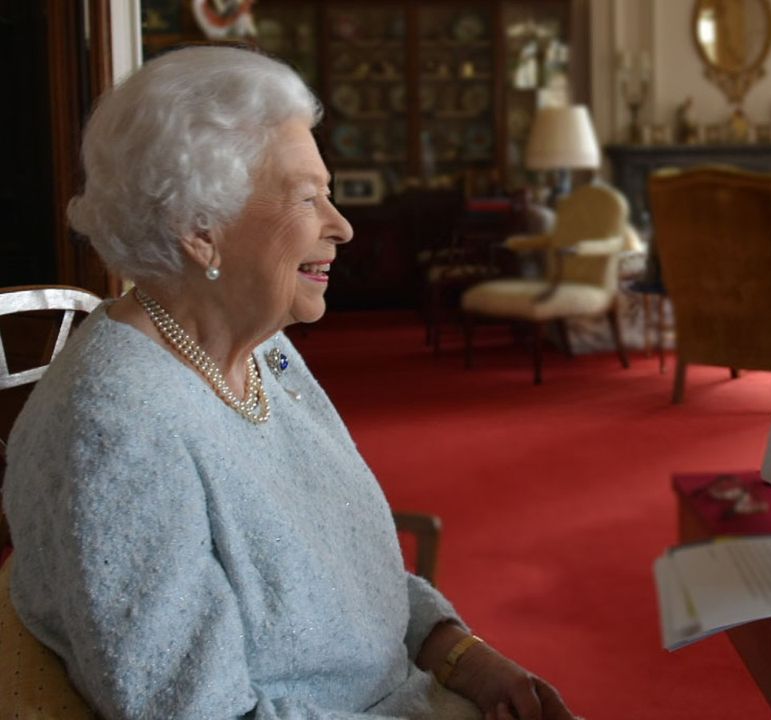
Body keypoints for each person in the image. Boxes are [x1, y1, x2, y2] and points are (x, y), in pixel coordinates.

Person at [2, 46, 574, 720]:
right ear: (199, 231)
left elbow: (350, 570)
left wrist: (458, 652)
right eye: (308, 198)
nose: (343, 225)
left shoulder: (263, 351)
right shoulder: (116, 430)